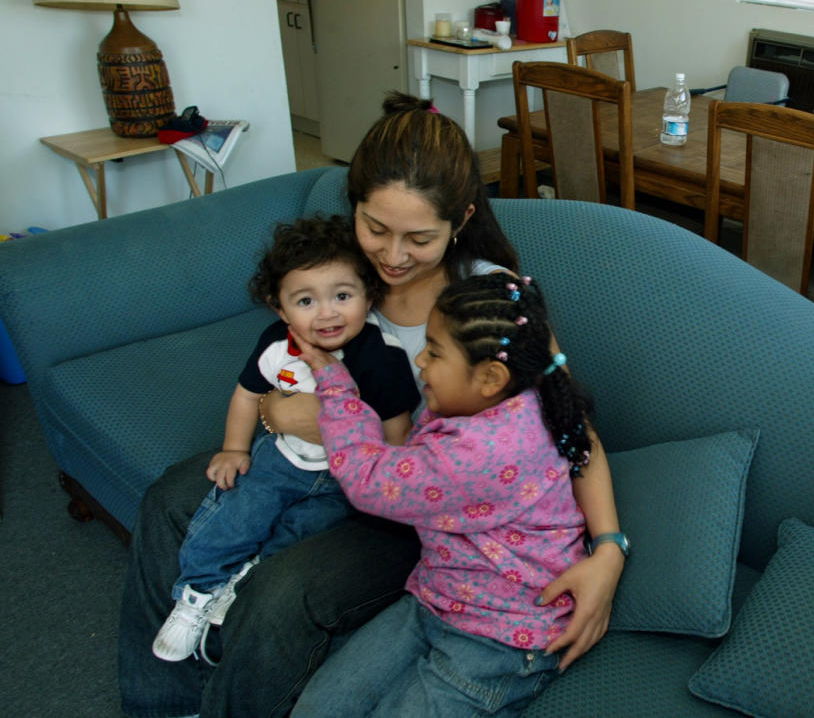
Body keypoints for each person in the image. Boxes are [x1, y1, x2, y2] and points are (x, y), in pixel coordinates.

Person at [119, 93, 626, 718]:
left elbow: (570, 425)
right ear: (353, 207)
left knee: (285, 591)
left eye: (419, 238)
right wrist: (276, 412)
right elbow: (279, 355)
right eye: (375, 228)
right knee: (172, 495)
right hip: (311, 465)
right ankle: (164, 703)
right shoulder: (338, 272)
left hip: (420, 512)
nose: (390, 256)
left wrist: (608, 550)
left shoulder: (491, 300)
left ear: (461, 219)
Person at [292, 273, 594, 717]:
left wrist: (335, 384)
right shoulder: (527, 389)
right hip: (438, 596)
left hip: (501, 638)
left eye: (434, 352)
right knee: (319, 708)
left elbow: (365, 477)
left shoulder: (474, 456)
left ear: (491, 376)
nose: (420, 361)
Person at [152, 215, 418, 664]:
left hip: (342, 479)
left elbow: (397, 427)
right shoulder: (277, 343)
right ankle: (196, 593)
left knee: (298, 534)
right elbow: (246, 394)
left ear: (368, 296)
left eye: (343, 296)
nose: (328, 313)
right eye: (306, 301)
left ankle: (243, 586)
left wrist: (384, 485)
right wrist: (234, 448)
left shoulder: (380, 355)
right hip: (282, 458)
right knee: (237, 515)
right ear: (281, 308)